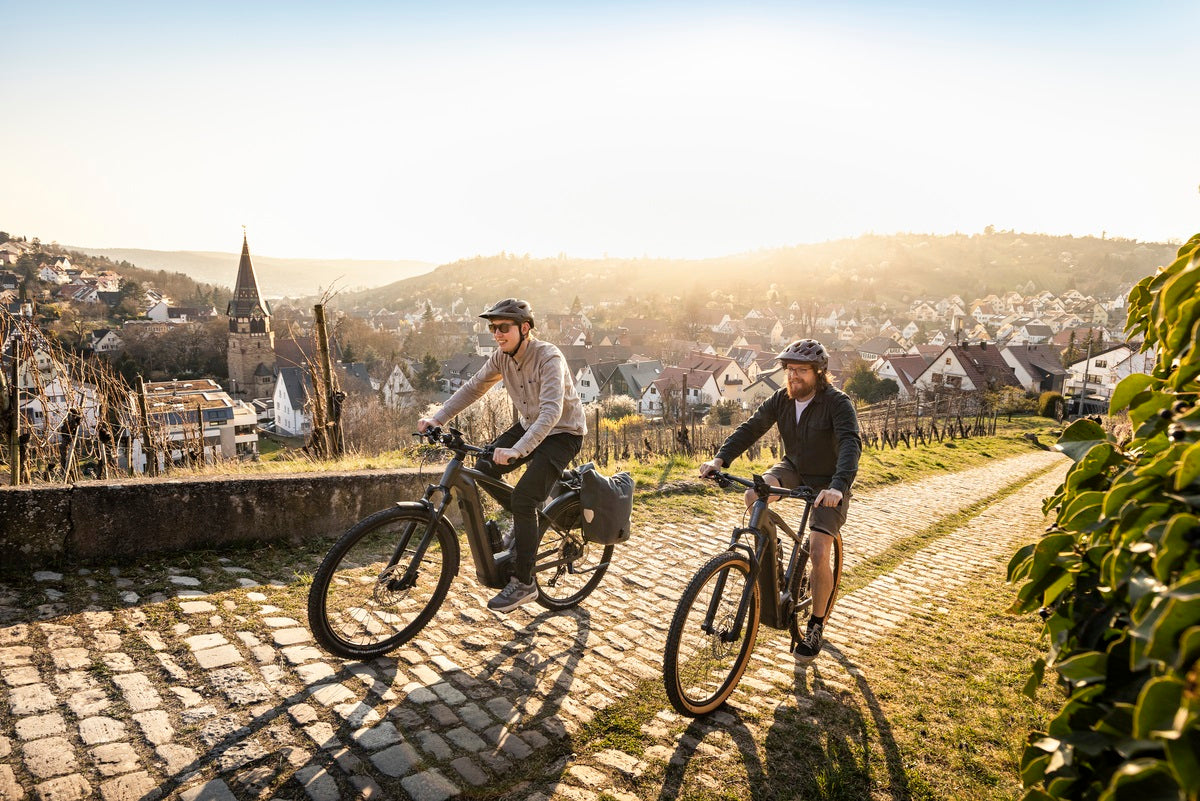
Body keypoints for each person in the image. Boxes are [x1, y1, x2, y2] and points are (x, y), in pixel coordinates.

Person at [418, 298, 586, 612]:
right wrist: (437, 418)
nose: (497, 333)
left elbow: (551, 412)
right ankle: (527, 522)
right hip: (528, 425)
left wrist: (517, 450)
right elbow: (473, 387)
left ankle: (525, 583)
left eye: (503, 327)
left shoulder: (549, 357)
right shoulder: (500, 357)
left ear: (525, 329)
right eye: (492, 327)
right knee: (484, 468)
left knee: (523, 499)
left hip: (563, 432)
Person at [699, 339, 861, 661]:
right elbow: (752, 428)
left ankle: (815, 625)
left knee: (817, 548)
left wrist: (838, 487)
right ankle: (771, 552)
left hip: (829, 482)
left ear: (819, 372)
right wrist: (720, 460)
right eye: (790, 370)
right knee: (754, 494)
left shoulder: (837, 403)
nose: (794, 376)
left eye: (801, 370)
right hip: (795, 467)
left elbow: (849, 444)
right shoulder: (782, 399)